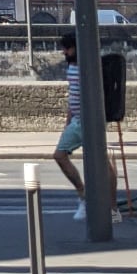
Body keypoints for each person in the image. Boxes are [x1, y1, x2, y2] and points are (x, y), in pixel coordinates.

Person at [52, 32, 88, 219]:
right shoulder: (72, 66)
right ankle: (110, 208)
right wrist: (68, 122)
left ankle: (84, 196)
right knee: (102, 162)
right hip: (77, 120)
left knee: (60, 155)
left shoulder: (86, 66)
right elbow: (72, 96)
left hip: (85, 120)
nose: (64, 52)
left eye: (67, 48)